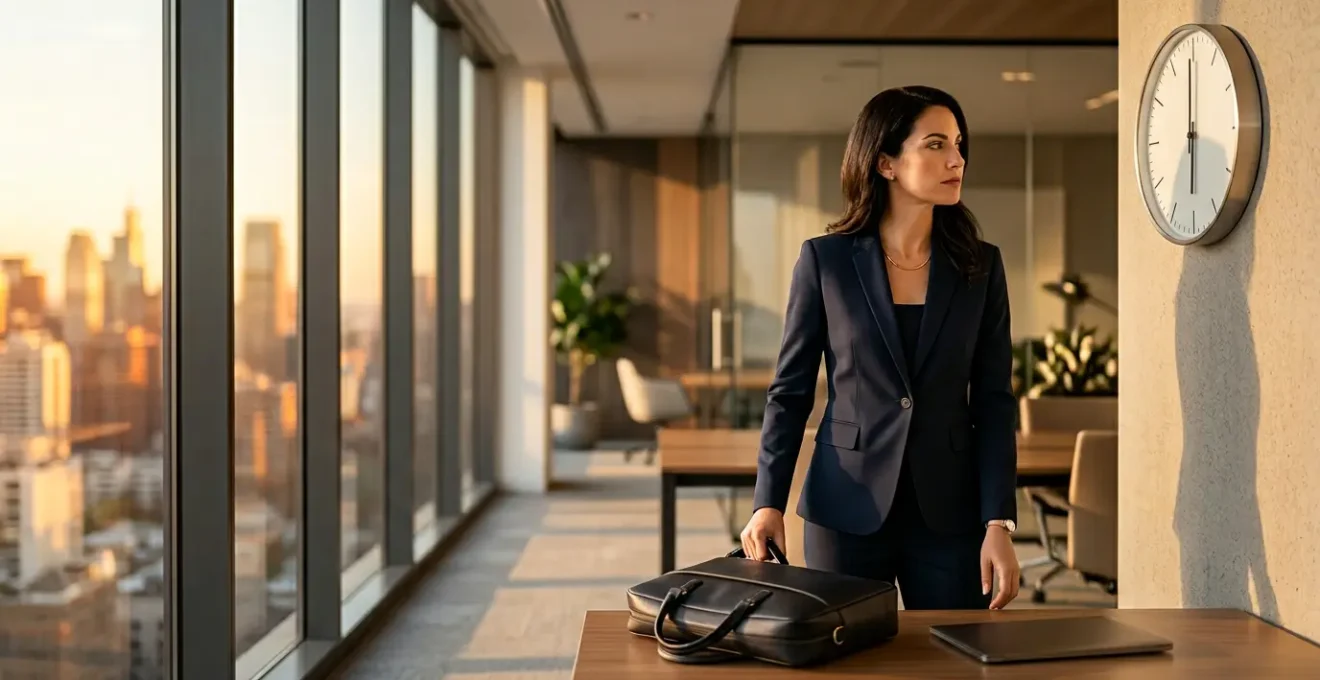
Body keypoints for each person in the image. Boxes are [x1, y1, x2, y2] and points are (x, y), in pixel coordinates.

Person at [738, 85, 1021, 610]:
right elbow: (790, 391)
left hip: (951, 516)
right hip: (845, 507)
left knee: (951, 661)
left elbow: (994, 402)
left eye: (959, 145)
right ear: (886, 163)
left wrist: (998, 520)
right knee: (846, 662)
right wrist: (767, 502)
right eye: (936, 144)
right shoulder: (826, 262)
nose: (956, 159)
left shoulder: (981, 267)